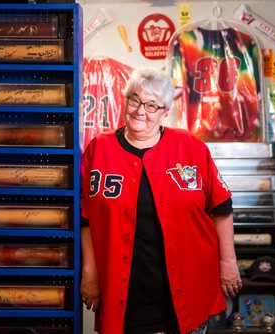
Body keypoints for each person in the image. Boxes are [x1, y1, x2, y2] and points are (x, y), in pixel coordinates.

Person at [80, 67, 241, 334]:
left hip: (188, 287)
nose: (140, 110)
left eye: (151, 105)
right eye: (134, 99)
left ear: (165, 111)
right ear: (125, 99)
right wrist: (90, 271)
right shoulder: (98, 149)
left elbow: (221, 208)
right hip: (124, 291)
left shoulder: (191, 148)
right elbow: (86, 217)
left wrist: (228, 263)